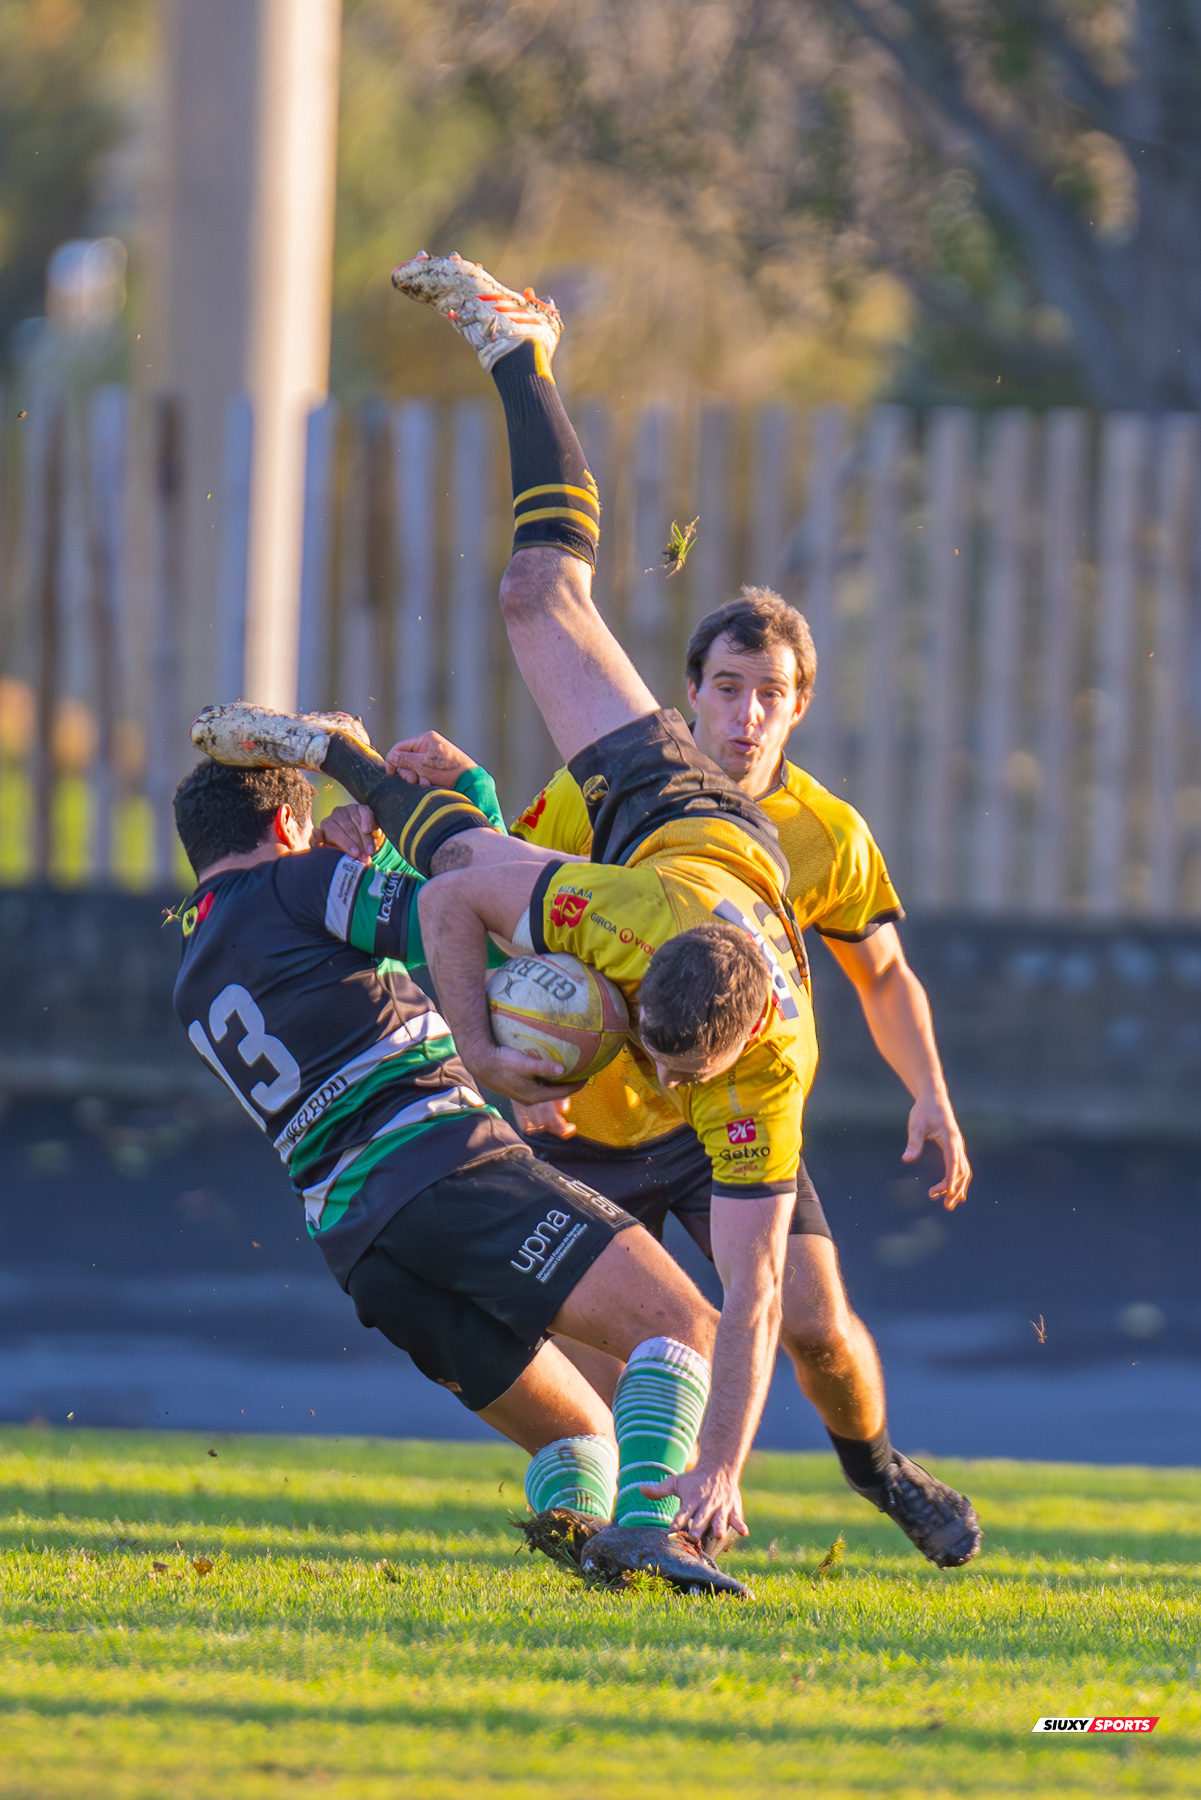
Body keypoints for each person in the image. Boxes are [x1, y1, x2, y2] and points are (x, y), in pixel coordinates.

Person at [190, 247, 974, 1562]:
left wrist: (722, 1477)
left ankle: (852, 1471)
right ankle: (519, 347)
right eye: (721, 687)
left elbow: (758, 1276)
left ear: (721, 1059)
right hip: (674, 830)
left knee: (795, 1321)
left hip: (707, 912)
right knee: (534, 595)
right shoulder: (614, 913)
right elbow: (461, 881)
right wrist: (491, 1059)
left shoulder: (768, 1076)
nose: (742, 709)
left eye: (763, 694)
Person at [169, 752, 745, 1597]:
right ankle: (656, 1533)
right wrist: (437, 804)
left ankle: (597, 1555)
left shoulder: (192, 970)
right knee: (685, 1325)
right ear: (287, 827)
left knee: (579, 1436)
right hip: (444, 1167)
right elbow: (458, 906)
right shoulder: (299, 885)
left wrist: (437, 815)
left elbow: (382, 928)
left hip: (358, 1244)